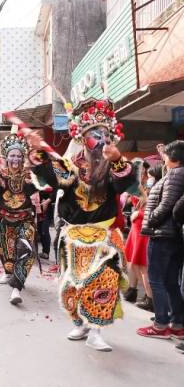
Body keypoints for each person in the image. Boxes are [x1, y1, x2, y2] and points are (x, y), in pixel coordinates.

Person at [31, 98, 136, 352]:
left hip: (104, 237)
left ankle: (96, 331)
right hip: (74, 239)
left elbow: (126, 183)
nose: (100, 140)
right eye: (94, 134)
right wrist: (37, 152)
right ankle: (80, 323)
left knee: (104, 282)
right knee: (71, 285)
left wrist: (119, 159)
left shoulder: (114, 166)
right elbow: (50, 176)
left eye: (105, 135)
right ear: (82, 138)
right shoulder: (70, 167)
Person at [0, 129, 44, 306]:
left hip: (25, 220)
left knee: (25, 250)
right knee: (6, 252)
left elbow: (45, 182)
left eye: (19, 156)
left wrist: (38, 152)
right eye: (12, 155)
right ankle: (9, 273)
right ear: (6, 157)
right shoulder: (0, 176)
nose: (15, 159)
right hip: (5, 220)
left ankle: (16, 287)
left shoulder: (28, 176)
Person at [138, 140, 184, 341]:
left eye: (166, 155)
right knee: (171, 281)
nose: (163, 158)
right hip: (173, 235)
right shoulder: (174, 173)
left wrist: (151, 219)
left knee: (156, 279)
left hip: (162, 233)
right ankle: (177, 323)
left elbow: (166, 204)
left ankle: (161, 324)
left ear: (174, 158)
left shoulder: (176, 174)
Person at [124, 161, 157, 311]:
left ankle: (150, 298)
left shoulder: (153, 186)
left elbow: (154, 207)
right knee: (131, 260)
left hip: (143, 227)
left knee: (142, 265)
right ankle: (133, 290)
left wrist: (139, 213)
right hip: (136, 226)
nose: (142, 172)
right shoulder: (137, 184)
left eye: (144, 169)